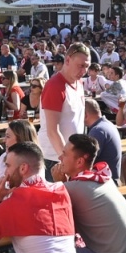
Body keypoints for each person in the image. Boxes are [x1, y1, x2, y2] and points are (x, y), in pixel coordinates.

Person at [54, 133, 126, 253]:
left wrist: (59, 185)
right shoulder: (102, 178)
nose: (60, 157)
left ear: (79, 161)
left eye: (65, 154)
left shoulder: (72, 188)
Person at [40, 41, 91, 169]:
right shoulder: (55, 85)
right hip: (54, 158)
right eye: (81, 66)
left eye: (87, 66)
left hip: (71, 157)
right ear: (68, 60)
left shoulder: (78, 83)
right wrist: (65, 160)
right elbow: (53, 131)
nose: (84, 71)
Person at [82, 98, 122, 173]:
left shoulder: (97, 131)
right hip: (111, 178)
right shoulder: (107, 124)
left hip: (105, 181)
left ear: (85, 115)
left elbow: (85, 164)